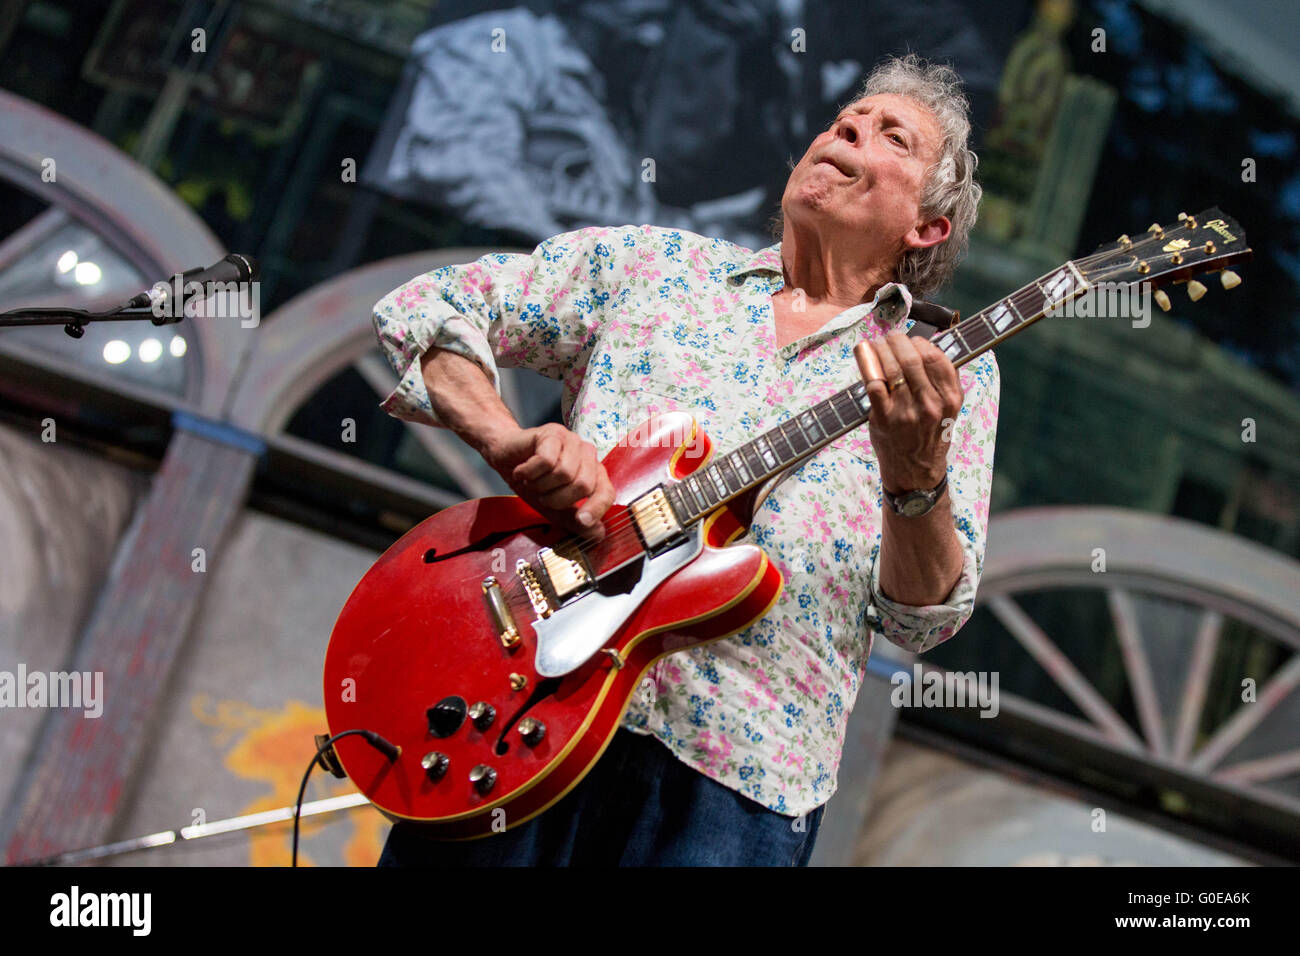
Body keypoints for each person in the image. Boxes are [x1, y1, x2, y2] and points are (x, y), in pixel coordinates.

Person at [370, 53, 999, 866]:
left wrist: (915, 475)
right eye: (846, 118)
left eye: (893, 137)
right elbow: (431, 307)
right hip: (528, 703)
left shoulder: (950, 374)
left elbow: (924, 616)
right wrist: (506, 438)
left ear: (928, 227)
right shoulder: (655, 271)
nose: (849, 129)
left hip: (737, 784)